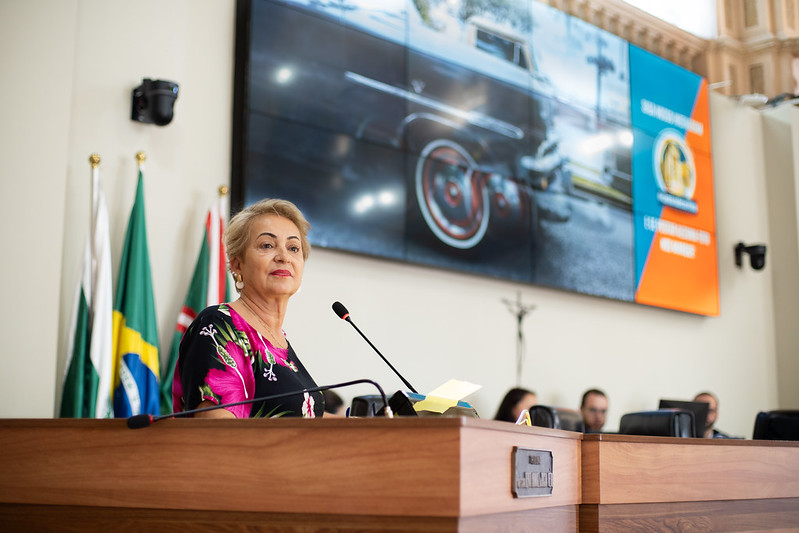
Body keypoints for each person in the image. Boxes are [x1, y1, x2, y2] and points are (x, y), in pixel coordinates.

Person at [172, 198, 325, 418]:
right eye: (267, 245)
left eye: (293, 248)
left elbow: (304, 416)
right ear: (237, 264)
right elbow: (218, 434)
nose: (284, 257)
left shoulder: (278, 341)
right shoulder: (218, 326)